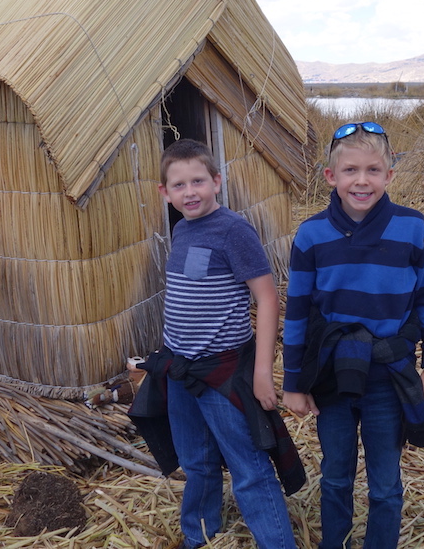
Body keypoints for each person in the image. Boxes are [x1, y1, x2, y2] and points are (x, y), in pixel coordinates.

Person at [282, 121, 424, 549]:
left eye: (373, 170)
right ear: (331, 176)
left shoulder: (413, 228)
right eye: (351, 170)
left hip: (387, 377)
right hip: (332, 375)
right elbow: (298, 312)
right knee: (336, 474)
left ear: (390, 174)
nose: (362, 180)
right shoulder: (312, 234)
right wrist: (294, 383)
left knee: (385, 482)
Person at [129, 138, 301, 549]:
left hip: (222, 371)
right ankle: (200, 537)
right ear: (164, 193)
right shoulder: (183, 230)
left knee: (249, 468)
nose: (190, 192)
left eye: (199, 181)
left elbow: (267, 296)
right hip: (181, 370)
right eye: (180, 185)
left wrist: (262, 372)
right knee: (196, 463)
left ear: (217, 182)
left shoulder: (233, 230)